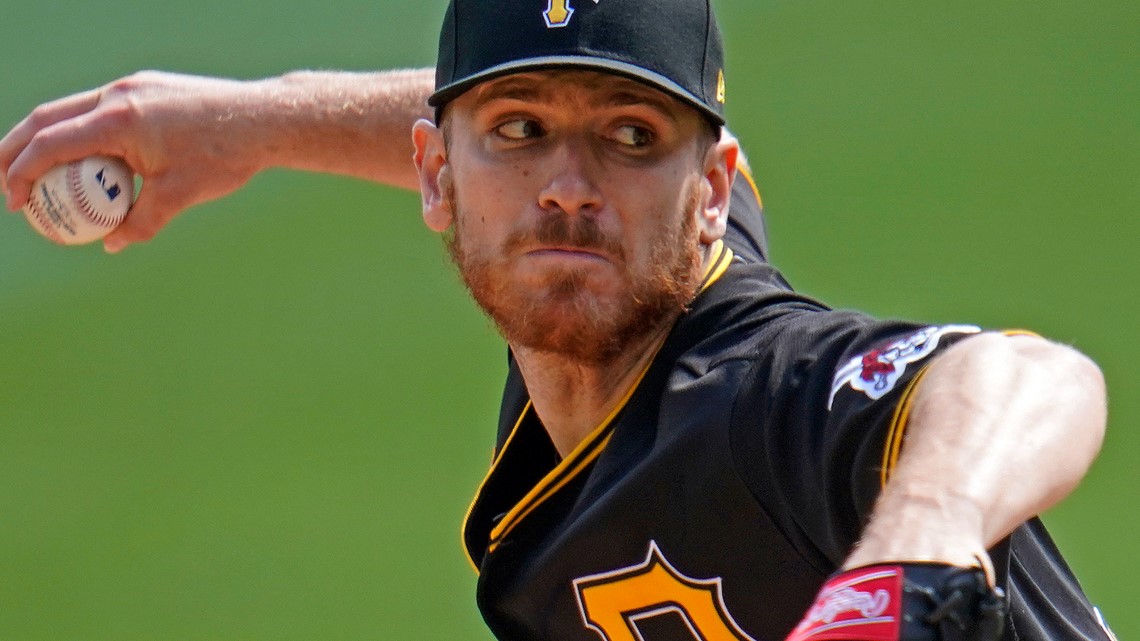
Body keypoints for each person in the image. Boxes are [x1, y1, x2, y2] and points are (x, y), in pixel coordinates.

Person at [0, 0, 1117, 639]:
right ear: (431, 175)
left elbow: (1024, 377)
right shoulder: (564, 434)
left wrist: (913, 551)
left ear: (709, 190)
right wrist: (244, 123)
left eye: (633, 139)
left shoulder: (758, 392)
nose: (568, 187)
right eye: (520, 132)